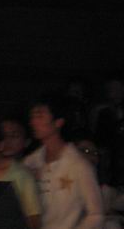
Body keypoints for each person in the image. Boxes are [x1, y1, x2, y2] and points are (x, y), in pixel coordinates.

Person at [24, 94, 104, 229]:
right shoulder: (30, 162)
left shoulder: (78, 165)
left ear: (58, 122)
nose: (33, 122)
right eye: (32, 117)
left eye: (40, 116)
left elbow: (96, 214)